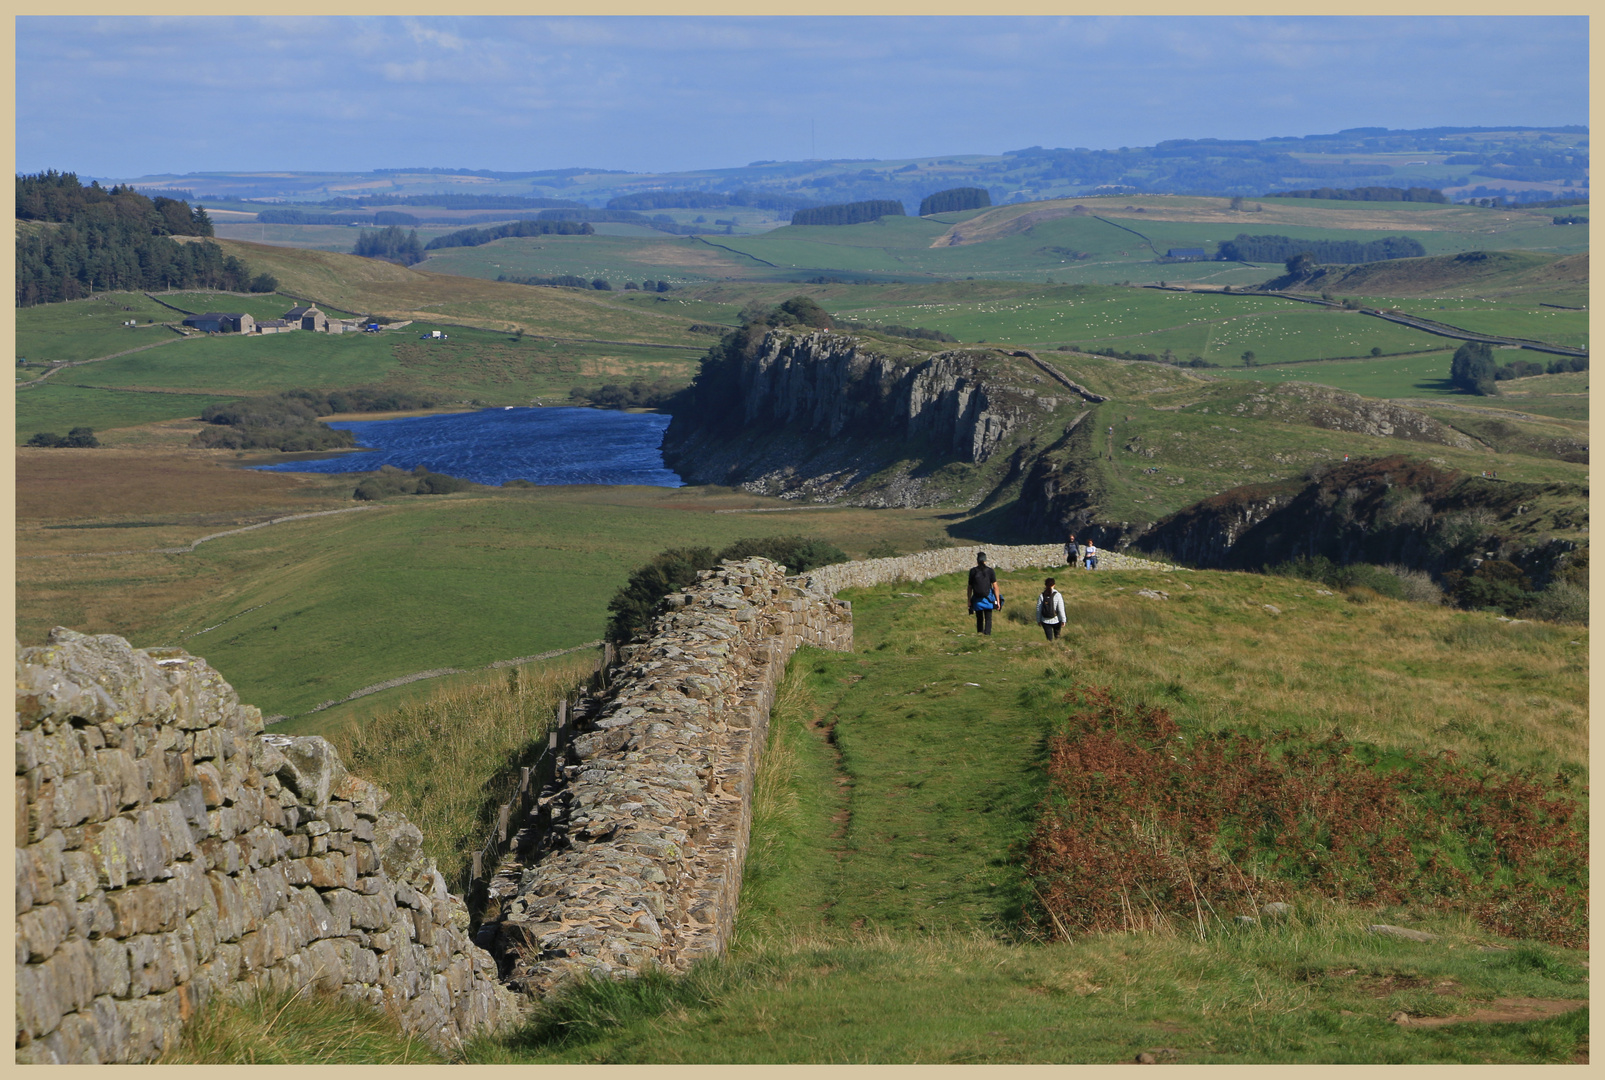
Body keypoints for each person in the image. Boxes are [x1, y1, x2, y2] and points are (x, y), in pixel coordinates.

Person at [967, 551, 999, 636]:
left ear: (977, 560)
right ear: (985, 560)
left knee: (979, 618)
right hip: (988, 599)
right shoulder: (990, 571)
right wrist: (997, 601)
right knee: (988, 618)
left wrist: (969, 600)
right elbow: (995, 587)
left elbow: (970, 587)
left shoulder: (973, 571)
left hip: (977, 599)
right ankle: (987, 634)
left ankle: (980, 634)